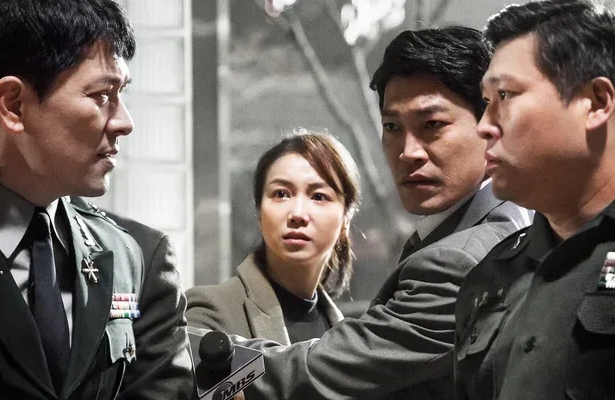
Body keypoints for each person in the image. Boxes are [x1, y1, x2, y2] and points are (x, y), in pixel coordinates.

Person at [227, 26, 532, 400]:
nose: (408, 152)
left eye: (432, 125)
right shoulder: (512, 218)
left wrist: (197, 358)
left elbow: (324, 372)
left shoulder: (462, 260)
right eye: (392, 127)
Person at [0, 1, 192, 399]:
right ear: (13, 105)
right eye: (102, 95)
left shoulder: (136, 257)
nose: (125, 122)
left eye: (121, 93)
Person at [454, 1, 615, 399]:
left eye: (505, 95)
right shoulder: (488, 278)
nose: (484, 126)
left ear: (596, 102)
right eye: (486, 102)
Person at [186, 130, 360, 344]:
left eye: (318, 196)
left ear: (346, 218)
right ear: (259, 213)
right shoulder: (211, 311)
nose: (297, 213)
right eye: (281, 194)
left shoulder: (345, 337)